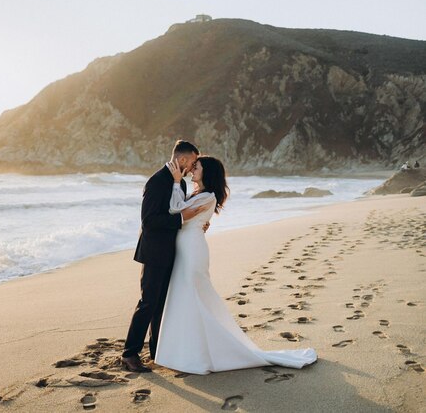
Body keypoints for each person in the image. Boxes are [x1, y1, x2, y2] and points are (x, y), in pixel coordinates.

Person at [154, 156, 317, 374]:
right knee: (185, 297)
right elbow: (183, 213)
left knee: (192, 296)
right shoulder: (197, 194)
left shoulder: (207, 196)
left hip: (192, 250)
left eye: (197, 166)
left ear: (208, 172)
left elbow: (176, 211)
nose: (192, 169)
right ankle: (184, 351)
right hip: (186, 248)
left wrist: (175, 182)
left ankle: (197, 354)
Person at [121, 140, 211, 373]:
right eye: (191, 162)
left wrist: (197, 223)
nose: (192, 168)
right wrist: (183, 219)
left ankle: (156, 351)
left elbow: (181, 210)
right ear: (181, 160)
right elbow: (149, 221)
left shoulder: (177, 183)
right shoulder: (157, 181)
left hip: (172, 251)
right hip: (154, 252)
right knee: (148, 302)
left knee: (161, 305)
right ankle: (130, 354)